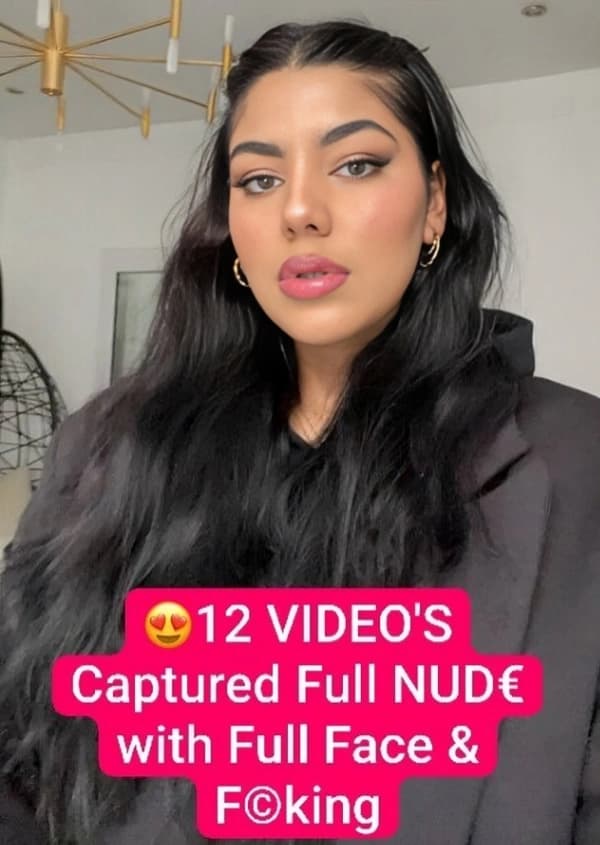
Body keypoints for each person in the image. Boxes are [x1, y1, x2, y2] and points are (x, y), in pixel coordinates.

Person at [0, 18, 599, 845]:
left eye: (356, 165)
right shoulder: (103, 447)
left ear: (434, 204)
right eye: (258, 179)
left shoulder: (577, 459)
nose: (300, 210)